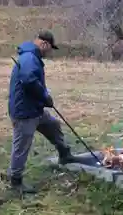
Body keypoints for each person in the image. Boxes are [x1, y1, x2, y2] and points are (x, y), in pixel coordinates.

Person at [8, 31, 79, 194]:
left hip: (35, 109)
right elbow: (28, 80)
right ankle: (16, 180)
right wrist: (45, 96)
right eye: (49, 48)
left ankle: (64, 153)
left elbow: (34, 81)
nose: (49, 52)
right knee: (22, 145)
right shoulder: (29, 58)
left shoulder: (32, 57)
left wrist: (44, 97)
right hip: (24, 112)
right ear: (44, 44)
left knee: (53, 125)